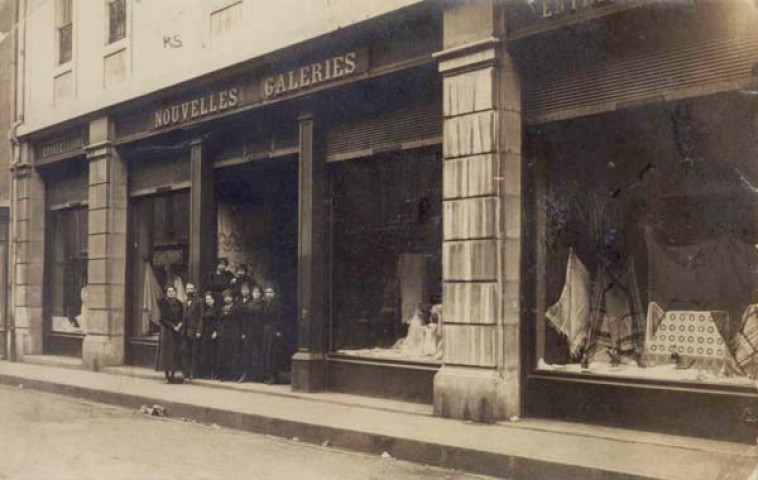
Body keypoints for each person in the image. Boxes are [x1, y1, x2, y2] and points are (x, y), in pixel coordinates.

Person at [236, 282, 265, 382]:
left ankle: (257, 375)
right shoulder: (250, 303)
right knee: (247, 352)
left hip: (259, 330)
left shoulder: (263, 303)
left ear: (261, 294)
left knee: (257, 353)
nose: (255, 294)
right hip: (249, 330)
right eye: (254, 292)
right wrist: (244, 331)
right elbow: (245, 318)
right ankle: (246, 374)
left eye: (257, 292)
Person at [156, 285, 184, 383]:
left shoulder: (179, 303)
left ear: (175, 292)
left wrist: (180, 324)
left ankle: (173, 374)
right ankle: (167, 375)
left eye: (172, 291)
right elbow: (163, 318)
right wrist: (173, 326)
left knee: (175, 352)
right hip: (167, 330)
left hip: (177, 331)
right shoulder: (163, 303)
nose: (171, 293)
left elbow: (182, 316)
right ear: (166, 293)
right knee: (167, 353)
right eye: (169, 292)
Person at [261, 284, 285, 385]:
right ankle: (267, 375)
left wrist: (278, 330)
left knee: (272, 353)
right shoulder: (265, 304)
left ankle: (274, 376)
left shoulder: (277, 304)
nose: (268, 294)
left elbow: (280, 318)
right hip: (266, 330)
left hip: (273, 330)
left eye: (271, 292)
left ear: (274, 294)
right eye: (267, 292)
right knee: (266, 352)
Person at [180, 283, 203, 382]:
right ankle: (186, 373)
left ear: (195, 290)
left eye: (191, 288)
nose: (189, 290)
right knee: (184, 351)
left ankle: (193, 373)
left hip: (194, 330)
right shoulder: (185, 301)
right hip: (185, 331)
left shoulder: (199, 301)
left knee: (194, 353)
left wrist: (199, 330)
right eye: (187, 288)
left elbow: (201, 317)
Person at [216, 289, 239, 381]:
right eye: (225, 297)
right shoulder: (222, 308)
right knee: (223, 354)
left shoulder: (236, 308)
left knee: (232, 354)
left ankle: (232, 375)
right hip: (223, 333)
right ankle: (223, 375)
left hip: (233, 333)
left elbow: (238, 320)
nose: (227, 299)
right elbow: (219, 321)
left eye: (229, 297)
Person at [199, 291, 220, 379]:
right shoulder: (205, 309)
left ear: (214, 300)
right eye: (207, 299)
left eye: (210, 299)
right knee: (206, 352)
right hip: (206, 332)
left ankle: (214, 372)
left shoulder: (217, 309)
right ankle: (206, 372)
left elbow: (219, 321)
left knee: (213, 353)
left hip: (213, 332)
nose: (208, 301)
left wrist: (216, 331)